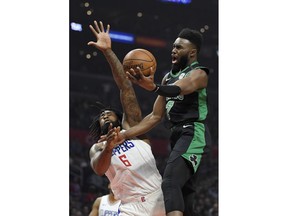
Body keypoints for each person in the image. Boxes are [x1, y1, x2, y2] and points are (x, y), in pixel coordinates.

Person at [111, 28, 212, 216]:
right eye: (173, 46)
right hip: (177, 134)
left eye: (179, 47)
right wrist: (124, 134)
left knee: (170, 182)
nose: (173, 50)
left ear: (192, 52)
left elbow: (181, 88)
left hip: (193, 132)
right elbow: (155, 117)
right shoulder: (168, 77)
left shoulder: (199, 74)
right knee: (185, 192)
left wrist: (154, 87)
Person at [87, 20, 166, 216]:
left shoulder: (132, 129)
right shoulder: (97, 147)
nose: (104, 114)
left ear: (119, 117)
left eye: (108, 112)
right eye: (101, 116)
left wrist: (108, 51)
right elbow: (99, 168)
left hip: (158, 197)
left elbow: (126, 87)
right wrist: (109, 147)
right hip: (130, 205)